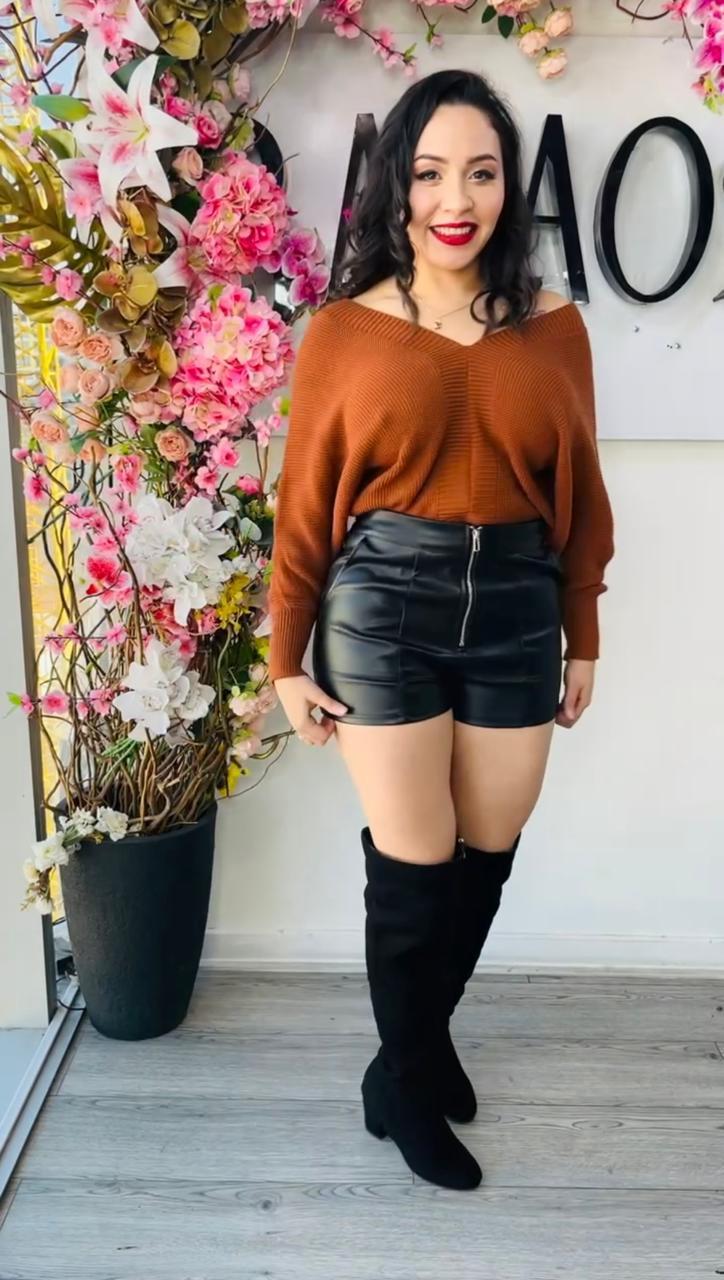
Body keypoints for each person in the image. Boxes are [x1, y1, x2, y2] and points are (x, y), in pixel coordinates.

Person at [267, 68, 615, 1192]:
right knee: (415, 864)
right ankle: (411, 1084)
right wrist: (283, 657)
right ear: (394, 187)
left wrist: (581, 630)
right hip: (383, 610)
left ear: (510, 187)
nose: (454, 199)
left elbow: (583, 494)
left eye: (480, 172)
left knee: (488, 852)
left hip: (516, 604)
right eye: (427, 173)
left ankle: (405, 1052)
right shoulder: (343, 331)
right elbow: (304, 504)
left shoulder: (555, 329)